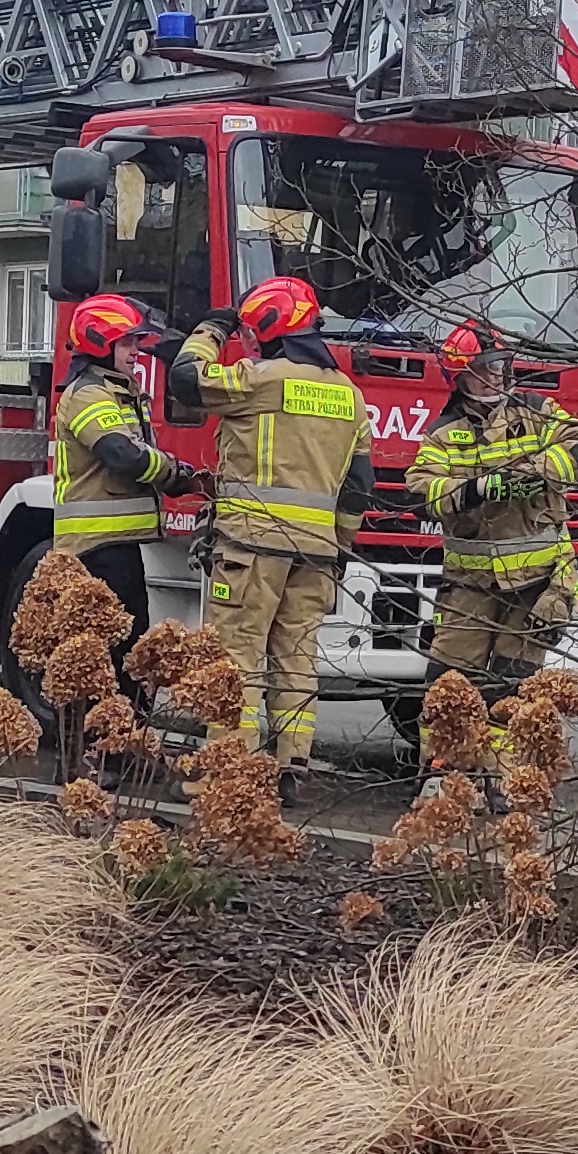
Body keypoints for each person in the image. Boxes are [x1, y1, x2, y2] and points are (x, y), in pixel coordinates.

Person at [177, 270, 370, 803]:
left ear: (269, 329)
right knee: (297, 654)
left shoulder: (260, 378)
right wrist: (341, 549)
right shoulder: (350, 397)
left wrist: (210, 331)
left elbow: (186, 380)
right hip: (317, 553)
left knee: (236, 654)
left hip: (250, 547)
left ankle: (226, 771)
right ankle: (293, 767)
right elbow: (360, 487)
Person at [405, 321, 578, 686]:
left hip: (535, 585)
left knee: (511, 694)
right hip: (468, 587)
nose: (493, 375)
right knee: (446, 692)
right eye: (482, 369)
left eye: (498, 365)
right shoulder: (442, 433)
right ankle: (439, 747)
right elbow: (417, 492)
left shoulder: (537, 412)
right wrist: (473, 490)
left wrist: (526, 476)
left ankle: (503, 747)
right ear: (460, 377)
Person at [47, 292, 203, 640]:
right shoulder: (89, 393)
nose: (136, 351)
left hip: (116, 545)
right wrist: (176, 474)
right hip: (95, 550)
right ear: (100, 343)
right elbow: (122, 454)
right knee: (111, 649)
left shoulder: (117, 390)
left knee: (128, 644)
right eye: (127, 343)